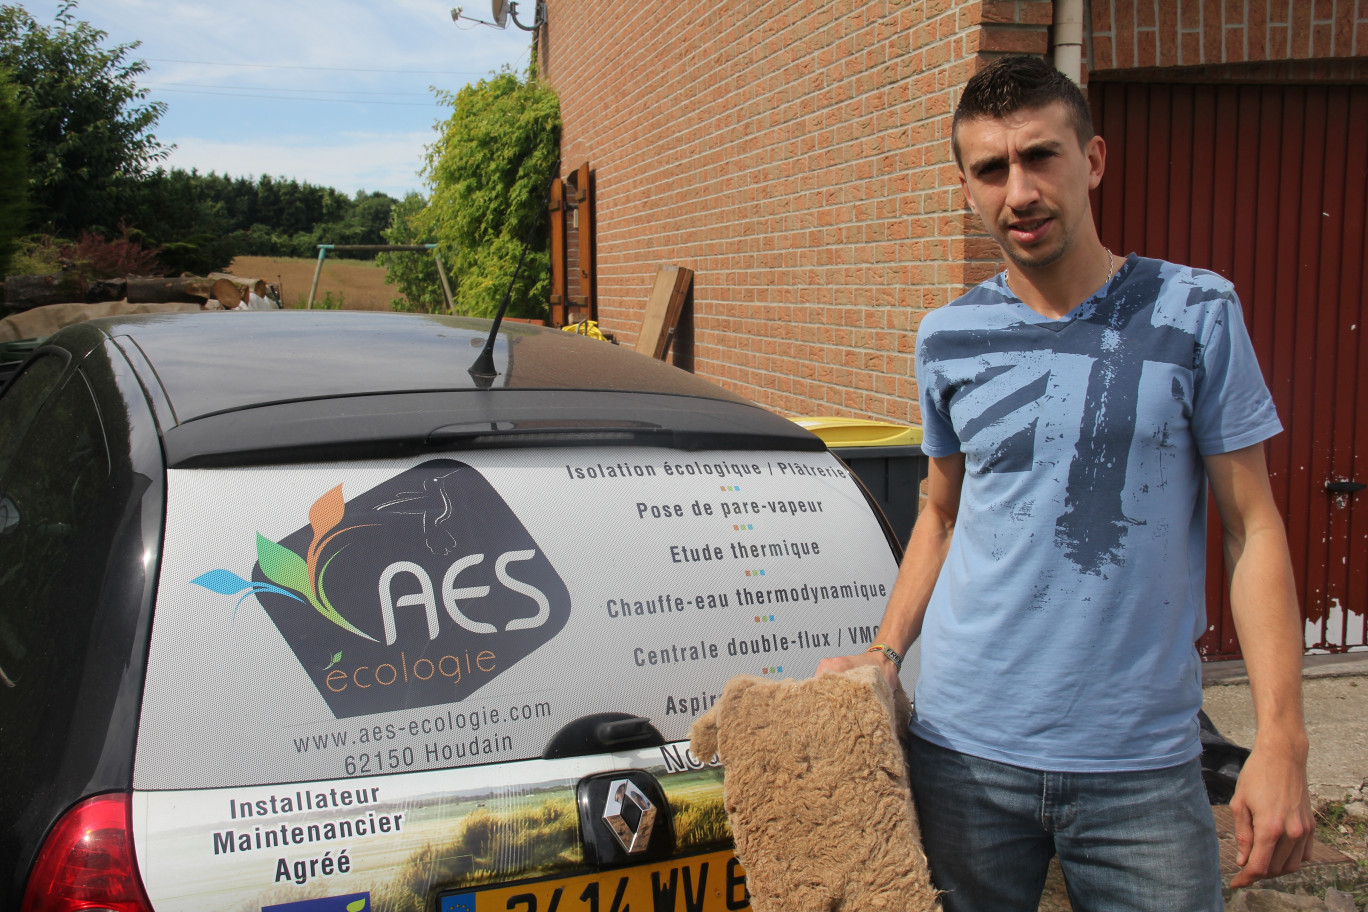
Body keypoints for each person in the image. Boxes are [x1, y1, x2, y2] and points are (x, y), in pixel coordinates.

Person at [817, 55, 1313, 911]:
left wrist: (1282, 739)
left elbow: (1252, 526)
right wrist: (886, 654)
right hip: (963, 756)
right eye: (991, 169)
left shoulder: (1196, 312)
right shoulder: (949, 337)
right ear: (965, 187)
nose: (1020, 191)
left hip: (1143, 768)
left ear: (1094, 160)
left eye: (1041, 156)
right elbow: (939, 514)